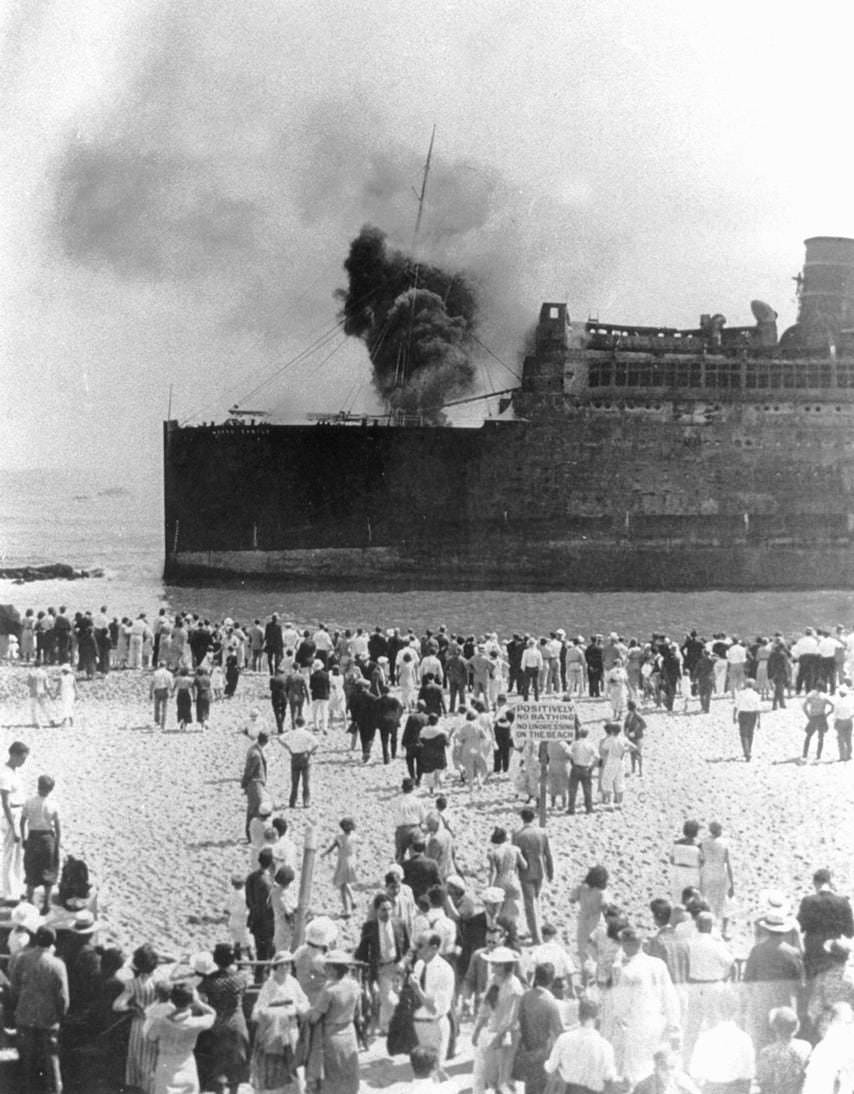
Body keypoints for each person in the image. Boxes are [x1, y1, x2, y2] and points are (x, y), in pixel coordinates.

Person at [611, 927, 682, 1087]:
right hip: (658, 1021)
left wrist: (619, 1019)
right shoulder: (658, 964)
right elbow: (670, 997)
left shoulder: (628, 972)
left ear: (625, 945)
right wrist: (674, 1024)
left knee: (637, 1071)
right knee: (657, 1067)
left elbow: (621, 1005)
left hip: (638, 1024)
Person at [9, 925, 69, 1094]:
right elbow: (63, 997)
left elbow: (14, 987)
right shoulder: (58, 965)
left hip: (25, 1015)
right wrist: (60, 1015)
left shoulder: (22, 958)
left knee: (27, 1058)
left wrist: (19, 1005)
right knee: (51, 1058)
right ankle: (55, 1089)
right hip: (48, 1019)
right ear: (53, 942)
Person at [797, 868, 854, 1028]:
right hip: (834, 955)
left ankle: (809, 1028)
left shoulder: (808, 901)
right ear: (830, 881)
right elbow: (850, 932)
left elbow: (801, 926)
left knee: (811, 994)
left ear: (815, 883)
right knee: (834, 996)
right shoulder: (842, 902)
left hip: (813, 955)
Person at [742, 904, 804, 1052]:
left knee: (762, 1037)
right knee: (783, 1035)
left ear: (767, 930)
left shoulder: (757, 950)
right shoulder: (792, 953)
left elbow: (748, 979)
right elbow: (799, 983)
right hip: (784, 999)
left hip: (762, 998)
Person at [250, 949, 309, 1094]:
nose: (285, 967)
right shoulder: (269, 985)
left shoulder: (293, 982)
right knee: (275, 1068)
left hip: (290, 1030)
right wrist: (274, 1012)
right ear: (275, 967)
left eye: (287, 964)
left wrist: (295, 1009)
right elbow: (257, 1011)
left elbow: (304, 1002)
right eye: (281, 964)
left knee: (292, 1066)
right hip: (273, 1034)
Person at [196, 942, 251, 1094]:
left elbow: (200, 996)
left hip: (218, 1026)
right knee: (236, 1069)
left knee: (218, 1070)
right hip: (237, 1023)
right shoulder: (240, 978)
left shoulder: (209, 981)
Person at [144, 982, 216, 1094]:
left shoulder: (160, 1022)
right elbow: (212, 1014)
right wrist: (198, 1002)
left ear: (171, 999)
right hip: (187, 1063)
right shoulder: (195, 1023)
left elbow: (150, 1038)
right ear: (191, 1001)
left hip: (165, 1063)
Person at [471, 945, 525, 1094]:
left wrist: (499, 1037)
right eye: (492, 963)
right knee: (489, 1077)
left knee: (503, 1079)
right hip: (492, 1030)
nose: (493, 966)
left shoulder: (514, 985)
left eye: (497, 964)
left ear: (506, 966)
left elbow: (512, 1017)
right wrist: (476, 1030)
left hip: (507, 1035)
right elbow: (486, 1007)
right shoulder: (493, 980)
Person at [354, 893, 410, 1036]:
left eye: (389, 909)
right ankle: (387, 1027)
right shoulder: (370, 927)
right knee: (389, 1000)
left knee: (396, 998)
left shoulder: (400, 923)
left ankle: (388, 1026)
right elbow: (362, 950)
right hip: (382, 968)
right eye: (383, 910)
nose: (387, 913)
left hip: (397, 967)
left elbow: (409, 948)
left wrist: (404, 962)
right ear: (376, 910)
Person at [308, 951, 361, 1094]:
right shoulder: (354, 985)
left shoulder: (329, 990)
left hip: (332, 1035)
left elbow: (315, 1017)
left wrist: (308, 1012)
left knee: (333, 1075)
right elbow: (357, 1011)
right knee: (349, 1072)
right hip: (349, 1033)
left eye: (328, 966)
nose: (325, 969)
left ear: (335, 969)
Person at [543, 996, 617, 1093]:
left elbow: (549, 1067)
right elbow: (609, 1076)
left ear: (579, 1016)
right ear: (597, 1019)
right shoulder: (606, 1046)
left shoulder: (564, 1039)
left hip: (567, 1090)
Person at [688, 987, 754, 1094]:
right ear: (737, 1011)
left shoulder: (705, 1038)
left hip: (713, 1089)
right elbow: (749, 1074)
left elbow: (695, 1072)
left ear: (716, 1010)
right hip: (737, 1090)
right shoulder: (745, 1039)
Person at [513, 962, 564, 1094]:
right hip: (544, 1053)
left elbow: (519, 1020)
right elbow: (559, 1031)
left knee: (530, 1087)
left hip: (527, 1049)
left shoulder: (526, 996)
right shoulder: (550, 1002)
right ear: (551, 980)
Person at [410, 932, 456, 1066]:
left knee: (435, 1070)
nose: (416, 949)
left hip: (435, 1026)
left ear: (434, 948)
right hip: (420, 1025)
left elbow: (435, 1009)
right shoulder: (419, 965)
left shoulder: (444, 970)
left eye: (420, 946)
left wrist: (417, 989)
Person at [513, 806, 554, 945]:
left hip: (526, 872)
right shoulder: (542, 833)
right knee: (536, 901)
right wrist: (550, 871)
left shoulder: (518, 835)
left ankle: (536, 936)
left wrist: (515, 872)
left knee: (529, 904)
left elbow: (516, 857)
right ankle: (535, 929)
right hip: (540, 870)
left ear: (522, 818)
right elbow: (548, 854)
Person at [20, 774, 60, 914]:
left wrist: (24, 839)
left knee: (31, 869)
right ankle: (46, 904)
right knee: (49, 870)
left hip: (33, 837)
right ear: (50, 789)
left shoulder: (29, 802)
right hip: (47, 838)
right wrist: (57, 844)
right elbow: (58, 827)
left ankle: (30, 902)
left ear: (38, 786)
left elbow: (22, 821)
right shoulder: (53, 804)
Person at [756, 1006, 811, 1094]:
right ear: (796, 1026)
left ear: (774, 1027)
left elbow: (764, 1083)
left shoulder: (767, 1052)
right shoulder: (806, 1047)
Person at [0, 740, 29, 902]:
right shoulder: (4, 774)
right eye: (22, 758)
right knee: (9, 854)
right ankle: (8, 892)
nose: (23, 762)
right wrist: (14, 827)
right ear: (14, 755)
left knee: (19, 854)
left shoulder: (14, 771)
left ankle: (17, 888)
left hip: (18, 812)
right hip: (11, 815)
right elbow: (5, 803)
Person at [698, 821, 734, 935]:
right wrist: (732, 883)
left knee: (706, 900)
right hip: (719, 873)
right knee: (724, 902)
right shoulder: (724, 843)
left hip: (707, 872)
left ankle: (706, 928)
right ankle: (724, 930)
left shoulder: (703, 842)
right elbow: (728, 863)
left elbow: (700, 859)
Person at [569, 865, 609, 966]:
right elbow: (605, 906)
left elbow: (571, 899)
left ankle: (586, 975)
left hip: (583, 921)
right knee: (599, 953)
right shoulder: (601, 892)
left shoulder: (581, 888)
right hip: (596, 922)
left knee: (584, 952)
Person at [275, 717, 318, 809]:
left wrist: (288, 748)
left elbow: (279, 738)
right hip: (305, 756)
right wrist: (310, 752)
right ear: (304, 724)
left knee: (295, 782)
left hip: (295, 756)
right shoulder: (307, 733)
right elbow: (316, 744)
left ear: (296, 723)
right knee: (306, 782)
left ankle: (292, 802)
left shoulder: (292, 732)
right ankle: (306, 802)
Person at [487, 825, 527, 926]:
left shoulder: (493, 853)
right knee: (514, 910)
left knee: (496, 910)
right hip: (512, 880)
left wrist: (490, 887)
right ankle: (512, 930)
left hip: (499, 881)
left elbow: (493, 871)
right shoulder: (515, 849)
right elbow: (524, 865)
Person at [246, 848, 276, 971]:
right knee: (268, 952)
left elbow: (248, 900)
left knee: (260, 952)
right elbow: (268, 904)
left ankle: (259, 976)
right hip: (266, 921)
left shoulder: (251, 877)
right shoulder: (267, 882)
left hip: (254, 917)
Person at [322, 817, 358, 917]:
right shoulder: (355, 836)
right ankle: (353, 899)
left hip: (343, 861)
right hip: (352, 860)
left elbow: (332, 847)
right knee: (346, 882)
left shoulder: (340, 838)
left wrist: (324, 854)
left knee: (342, 885)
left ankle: (347, 910)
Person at [241, 731, 269, 842]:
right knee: (254, 810)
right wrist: (245, 783)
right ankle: (250, 835)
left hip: (256, 782)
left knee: (254, 809)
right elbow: (249, 771)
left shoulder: (255, 750)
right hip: (254, 783)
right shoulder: (255, 754)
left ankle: (251, 834)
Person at [633, 1048, 700, 1094]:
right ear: (656, 1070)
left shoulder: (684, 1085)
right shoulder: (643, 1087)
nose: (669, 1072)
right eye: (664, 1068)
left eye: (672, 1068)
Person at [393, 777, 426, 864]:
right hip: (415, 828)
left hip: (402, 829)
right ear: (412, 788)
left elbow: (395, 816)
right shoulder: (417, 801)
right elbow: (423, 817)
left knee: (400, 855)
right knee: (416, 855)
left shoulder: (396, 801)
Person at [567, 726, 598, 815]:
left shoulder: (575, 743)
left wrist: (573, 760)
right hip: (586, 768)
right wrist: (592, 767)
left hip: (576, 767)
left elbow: (568, 752)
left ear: (579, 733)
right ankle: (589, 808)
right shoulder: (590, 744)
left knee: (572, 789)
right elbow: (597, 757)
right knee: (587, 789)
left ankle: (571, 808)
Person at [670, 820, 702, 905]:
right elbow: (702, 862)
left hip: (678, 872)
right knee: (691, 898)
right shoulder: (698, 846)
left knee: (677, 897)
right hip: (692, 872)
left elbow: (672, 861)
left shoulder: (676, 845)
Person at [802, 685, 834, 762]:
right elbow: (833, 706)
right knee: (821, 737)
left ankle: (805, 754)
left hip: (813, 717)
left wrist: (807, 715)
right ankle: (818, 755)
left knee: (808, 736)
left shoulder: (811, 695)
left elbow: (804, 706)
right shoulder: (824, 696)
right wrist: (828, 714)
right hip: (821, 717)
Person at [733, 679, 761, 761]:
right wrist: (759, 721)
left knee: (743, 734)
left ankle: (746, 752)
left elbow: (736, 706)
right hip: (752, 715)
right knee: (750, 733)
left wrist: (734, 716)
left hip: (743, 714)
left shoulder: (740, 694)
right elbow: (758, 709)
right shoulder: (755, 694)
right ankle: (749, 750)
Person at [624, 701, 646, 775]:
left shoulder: (637, 715)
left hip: (637, 737)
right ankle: (633, 769)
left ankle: (640, 770)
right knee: (632, 753)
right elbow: (626, 724)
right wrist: (626, 732)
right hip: (631, 737)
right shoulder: (629, 715)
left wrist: (635, 732)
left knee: (638, 753)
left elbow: (644, 725)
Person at [150, 661, 174, 730]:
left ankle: (157, 721)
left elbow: (152, 683)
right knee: (164, 708)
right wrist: (172, 692)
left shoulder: (155, 673)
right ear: (165, 666)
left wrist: (150, 693)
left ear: (159, 665)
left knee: (157, 707)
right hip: (165, 690)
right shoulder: (169, 673)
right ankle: (163, 724)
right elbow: (170, 684)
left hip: (157, 691)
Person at [835, 682, 854, 761]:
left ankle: (842, 756)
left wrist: (835, 722)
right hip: (849, 721)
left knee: (841, 740)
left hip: (841, 721)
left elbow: (836, 714)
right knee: (849, 739)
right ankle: (849, 755)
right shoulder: (851, 700)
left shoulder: (838, 702)